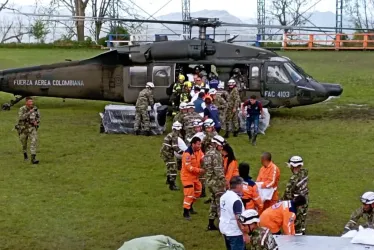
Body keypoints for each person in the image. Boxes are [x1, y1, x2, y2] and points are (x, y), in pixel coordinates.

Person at [204, 134, 227, 230]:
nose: (222, 148)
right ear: (216, 144)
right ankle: (223, 227)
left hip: (209, 182)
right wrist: (225, 181)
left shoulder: (208, 153)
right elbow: (218, 171)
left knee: (213, 202)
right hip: (217, 183)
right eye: (221, 146)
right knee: (220, 205)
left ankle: (211, 224)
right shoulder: (216, 155)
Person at [283, 156, 309, 235]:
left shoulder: (292, 180)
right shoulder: (305, 172)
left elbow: (287, 196)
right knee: (303, 220)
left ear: (292, 166)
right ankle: (303, 232)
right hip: (305, 201)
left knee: (297, 226)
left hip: (297, 205)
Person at [181, 137, 205, 220]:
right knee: (189, 194)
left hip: (195, 177)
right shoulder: (187, 154)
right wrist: (199, 170)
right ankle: (186, 212)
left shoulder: (199, 151)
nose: (200, 146)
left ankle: (190, 206)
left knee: (198, 191)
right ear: (193, 144)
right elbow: (189, 167)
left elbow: (203, 158)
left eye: (200, 144)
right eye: (198, 144)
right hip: (187, 177)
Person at [219, 176, 245, 250]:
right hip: (235, 232)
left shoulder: (223, 196)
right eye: (242, 185)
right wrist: (245, 233)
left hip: (224, 229)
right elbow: (238, 218)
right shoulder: (236, 200)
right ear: (239, 185)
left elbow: (221, 211)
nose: (243, 187)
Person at [160, 121, 184, 191]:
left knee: (169, 166)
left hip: (165, 153)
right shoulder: (174, 135)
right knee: (173, 167)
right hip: (167, 153)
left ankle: (168, 180)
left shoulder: (171, 134)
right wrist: (183, 152)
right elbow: (175, 147)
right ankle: (172, 185)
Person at [16, 97, 40, 164]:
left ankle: (33, 158)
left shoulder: (35, 109)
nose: (31, 103)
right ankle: (25, 154)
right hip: (23, 129)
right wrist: (29, 112)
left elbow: (38, 117)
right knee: (24, 143)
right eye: (29, 102)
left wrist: (36, 122)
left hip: (32, 128)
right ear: (26, 102)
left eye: (31, 102)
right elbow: (21, 117)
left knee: (34, 141)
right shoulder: (22, 109)